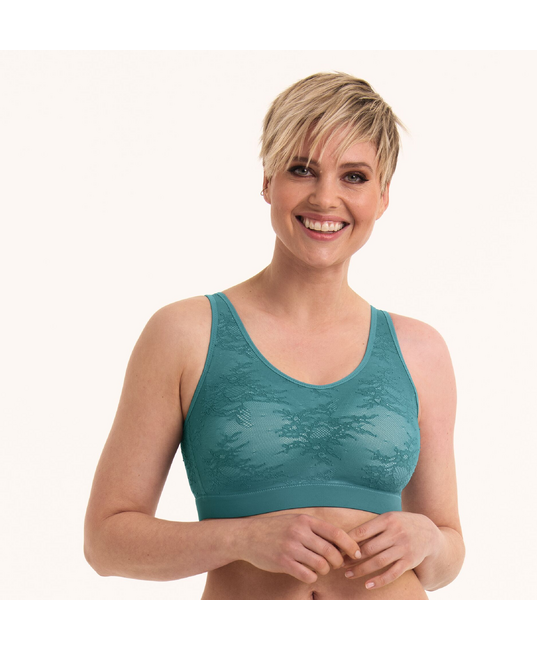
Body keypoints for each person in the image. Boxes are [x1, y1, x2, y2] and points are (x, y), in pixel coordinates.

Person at [84, 72, 465, 600]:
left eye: (354, 176)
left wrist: (429, 540)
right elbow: (105, 543)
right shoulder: (185, 334)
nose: (326, 198)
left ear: (382, 197)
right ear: (268, 181)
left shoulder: (420, 350)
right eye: (302, 170)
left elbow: (447, 555)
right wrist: (240, 538)